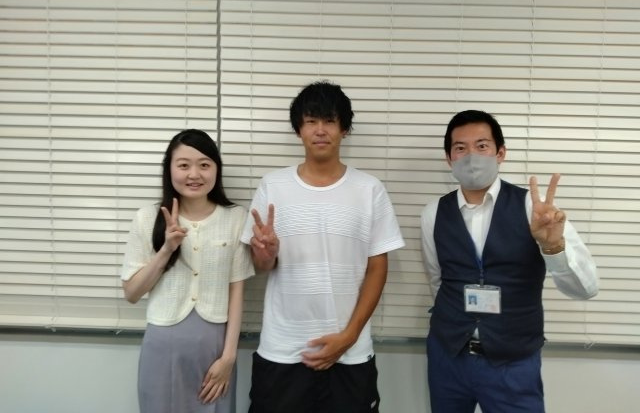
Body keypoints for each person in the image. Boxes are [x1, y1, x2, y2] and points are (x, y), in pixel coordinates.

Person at [241, 81, 405, 413]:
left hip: (351, 352)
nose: (320, 130)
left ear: (344, 129)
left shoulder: (369, 189)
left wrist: (349, 336)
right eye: (311, 121)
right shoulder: (273, 186)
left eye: (329, 121)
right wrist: (266, 253)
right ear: (298, 129)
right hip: (283, 349)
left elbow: (378, 268)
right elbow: (261, 266)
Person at [421, 109, 599, 413]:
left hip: (513, 362)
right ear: (449, 158)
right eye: (460, 148)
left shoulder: (534, 208)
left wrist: (553, 246)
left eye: (482, 146)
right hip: (448, 357)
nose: (471, 156)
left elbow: (587, 289)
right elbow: (437, 279)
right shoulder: (433, 213)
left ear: (500, 153)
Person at [121, 129, 254, 413]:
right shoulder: (147, 218)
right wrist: (166, 250)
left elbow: (237, 292)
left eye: (204, 164)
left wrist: (229, 358)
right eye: (183, 165)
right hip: (162, 345)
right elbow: (131, 293)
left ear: (216, 169)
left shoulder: (235, 218)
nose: (194, 174)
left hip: (215, 348)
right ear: (169, 169)